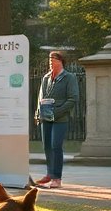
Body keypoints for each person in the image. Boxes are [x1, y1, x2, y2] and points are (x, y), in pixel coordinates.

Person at [34, 51, 79, 189]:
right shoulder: (46, 78)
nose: (50, 62)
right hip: (45, 117)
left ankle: (56, 178)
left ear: (60, 61)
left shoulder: (69, 77)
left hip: (60, 118)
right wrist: (38, 113)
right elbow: (40, 97)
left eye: (53, 59)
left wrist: (57, 111)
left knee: (55, 146)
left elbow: (73, 99)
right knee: (47, 146)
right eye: (49, 59)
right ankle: (49, 174)